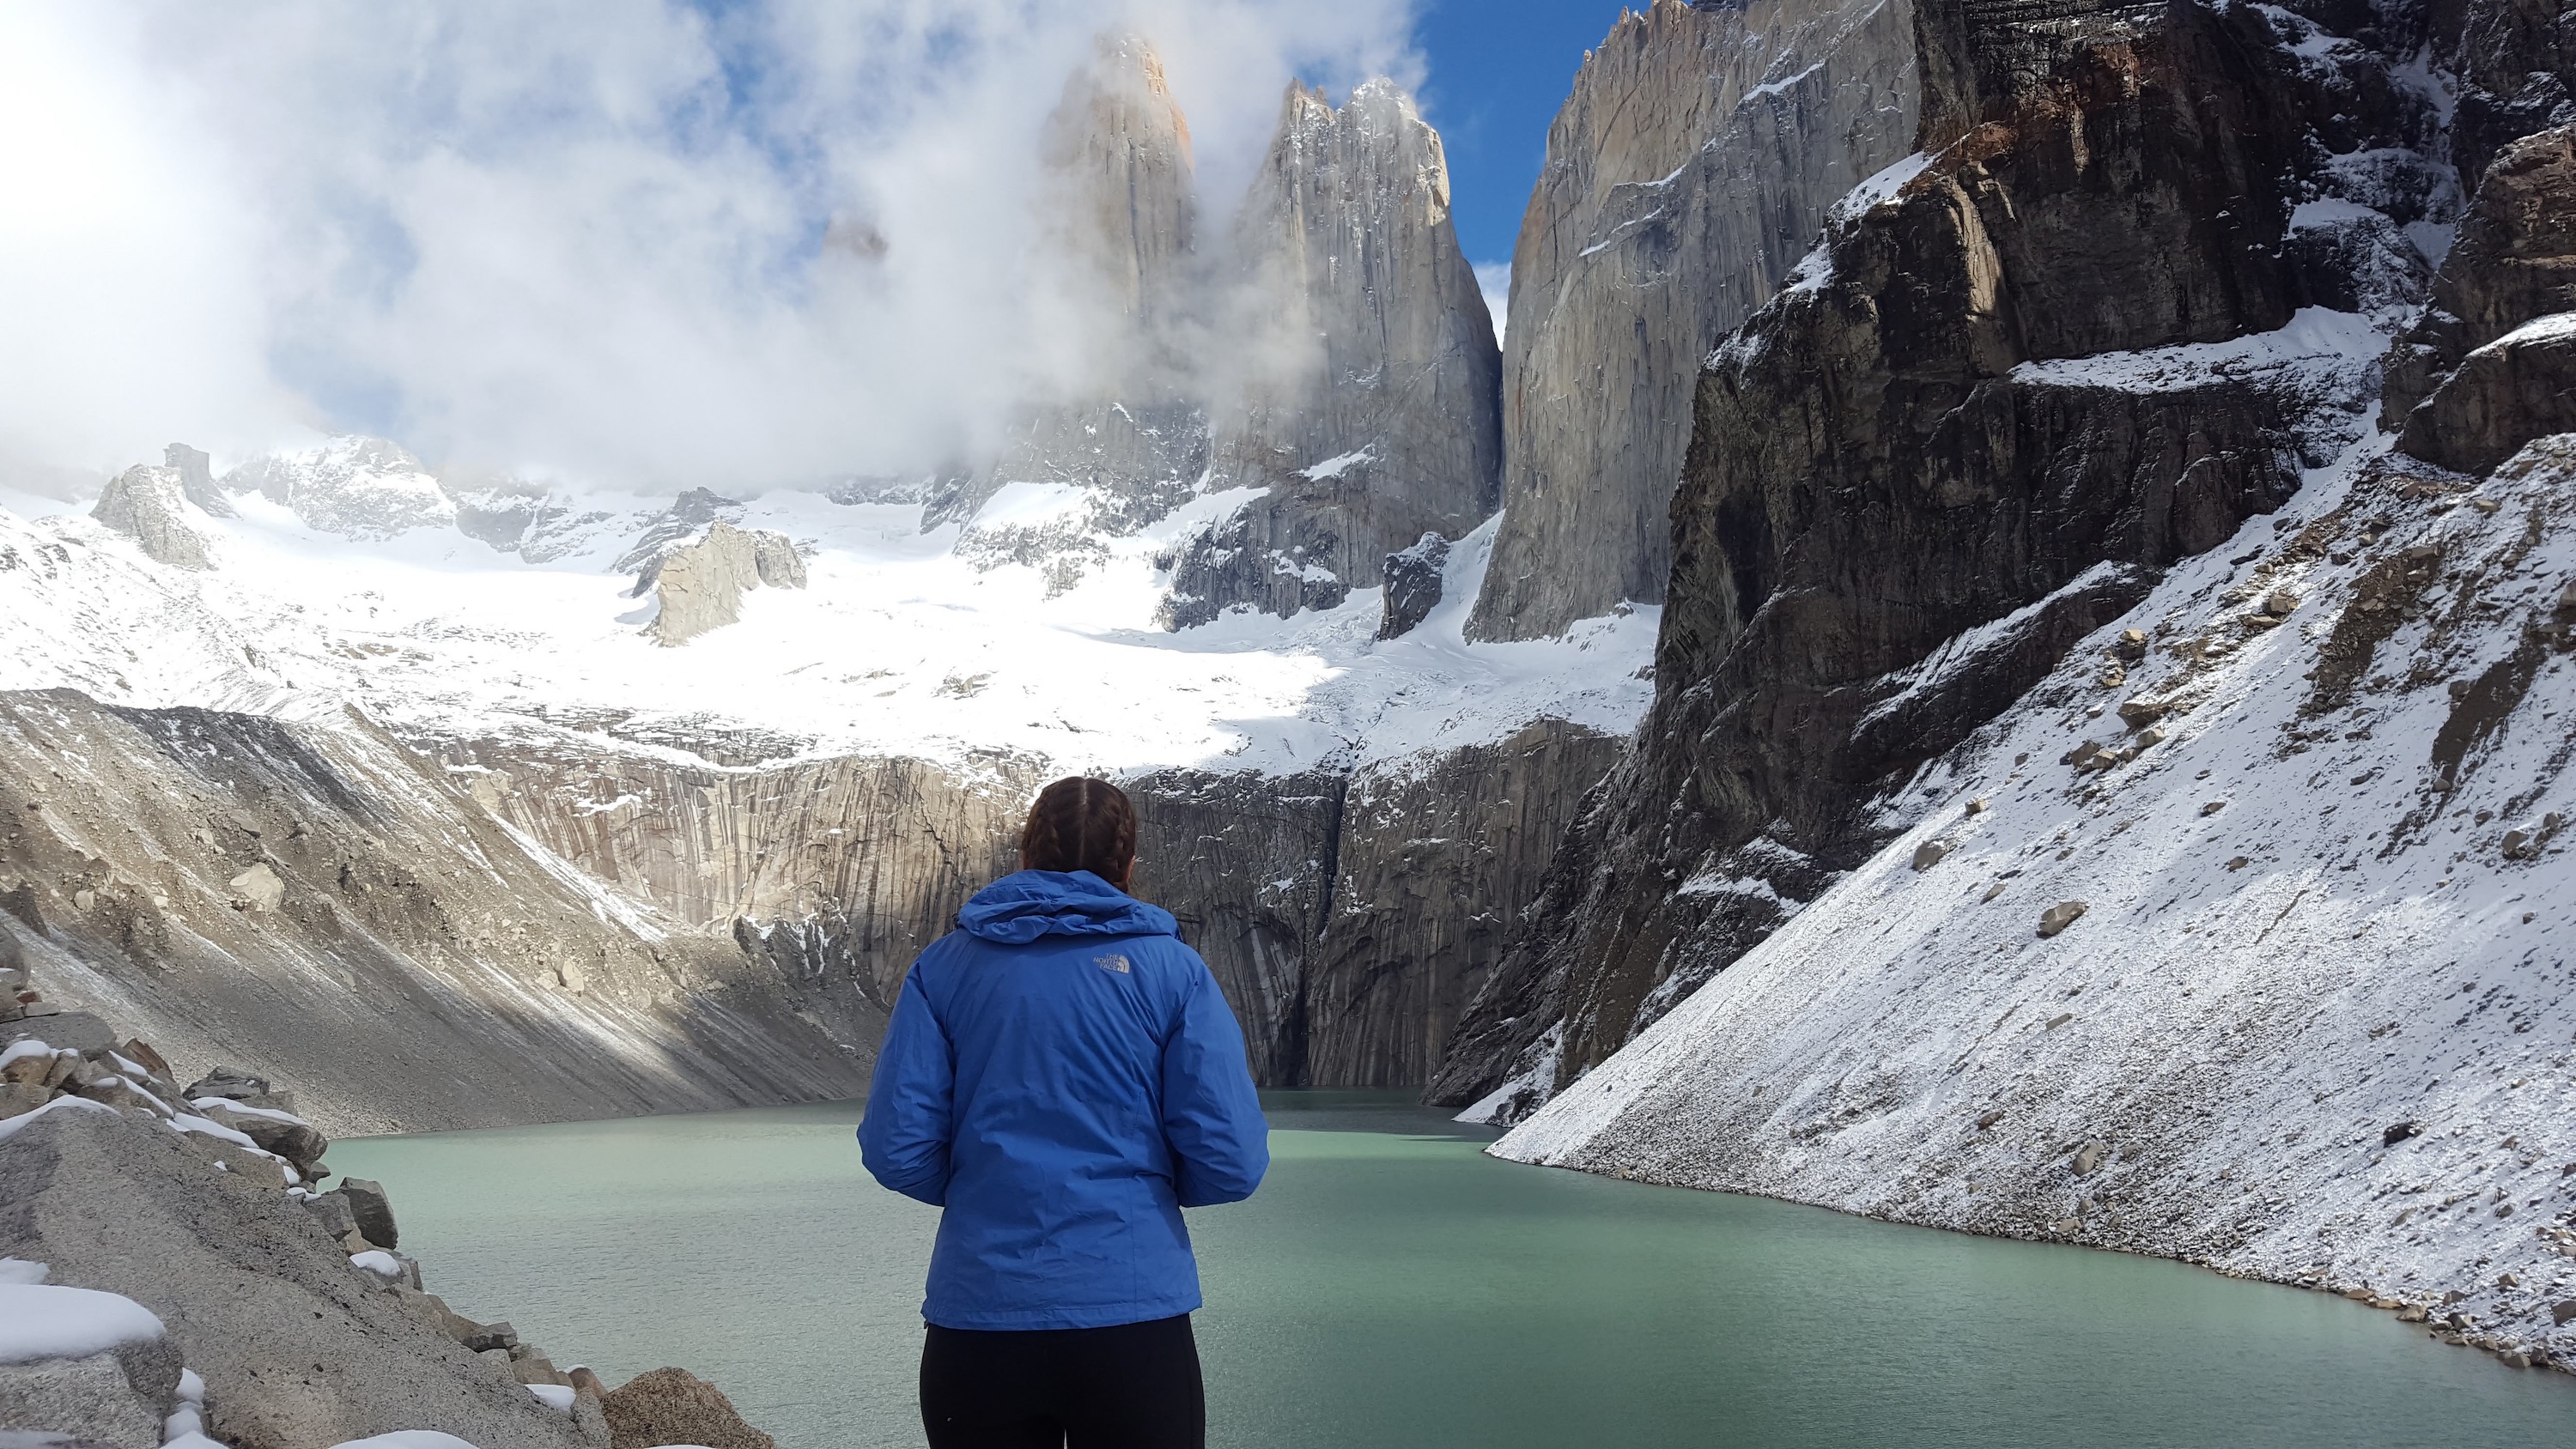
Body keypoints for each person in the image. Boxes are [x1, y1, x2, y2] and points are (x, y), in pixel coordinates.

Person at [860, 775, 1269, 1449]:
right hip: (1133, 1321)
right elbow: (1231, 1161)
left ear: (1025, 857)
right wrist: (1143, 1195)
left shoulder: (943, 969)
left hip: (979, 1321)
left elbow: (896, 1147)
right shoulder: (1175, 972)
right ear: (1128, 865)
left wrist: (983, 1187)